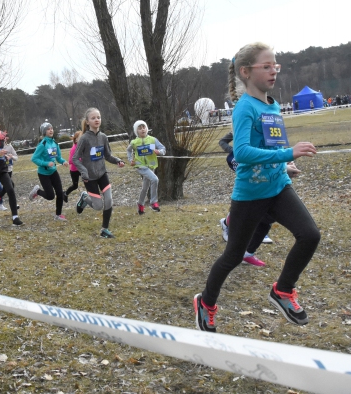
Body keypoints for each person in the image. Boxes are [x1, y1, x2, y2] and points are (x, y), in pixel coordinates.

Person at [193, 43, 321, 333]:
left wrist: (283, 166)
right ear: (246, 72)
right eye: (266, 66)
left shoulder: (272, 105)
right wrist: (288, 154)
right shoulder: (244, 109)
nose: (273, 69)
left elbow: (269, 147)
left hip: (278, 187)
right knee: (233, 257)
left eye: (275, 64)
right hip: (250, 196)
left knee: (310, 235)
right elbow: (244, 153)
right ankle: (206, 303)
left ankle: (283, 290)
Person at [72, 107, 125, 238]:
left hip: (102, 174)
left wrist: (117, 161)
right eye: (93, 118)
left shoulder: (103, 137)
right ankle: (85, 197)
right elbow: (75, 158)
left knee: (109, 201)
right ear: (88, 122)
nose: (97, 120)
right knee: (98, 206)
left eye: (99, 117)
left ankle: (104, 230)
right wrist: (84, 171)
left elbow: (108, 156)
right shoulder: (84, 139)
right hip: (89, 177)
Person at [218, 131, 274, 248]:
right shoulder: (239, 127)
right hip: (245, 164)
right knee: (248, 197)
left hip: (262, 161)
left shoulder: (262, 126)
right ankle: (227, 224)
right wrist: (232, 151)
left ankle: (260, 230)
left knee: (262, 195)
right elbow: (222, 141)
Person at [28, 121, 69, 221]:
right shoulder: (43, 144)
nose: (51, 130)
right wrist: (46, 163)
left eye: (51, 128)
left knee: (60, 193)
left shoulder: (55, 143)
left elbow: (58, 157)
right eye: (48, 129)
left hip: (53, 172)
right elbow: (34, 158)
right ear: (44, 132)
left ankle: (58, 215)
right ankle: (37, 191)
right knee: (50, 196)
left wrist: (63, 162)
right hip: (43, 174)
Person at [126, 120, 166, 215]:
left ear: (146, 128)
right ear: (136, 131)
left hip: (151, 165)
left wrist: (159, 152)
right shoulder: (134, 142)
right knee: (155, 179)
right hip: (140, 165)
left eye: (144, 127)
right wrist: (130, 159)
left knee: (145, 187)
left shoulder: (152, 140)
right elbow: (128, 150)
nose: (142, 130)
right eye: (139, 128)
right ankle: (153, 202)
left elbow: (163, 149)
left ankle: (140, 205)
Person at [0, 136, 18, 211]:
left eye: (4, 138)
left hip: (9, 169)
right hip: (2, 170)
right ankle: (13, 202)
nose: (3, 140)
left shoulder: (9, 147)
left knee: (9, 186)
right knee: (10, 185)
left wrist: (11, 157)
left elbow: (16, 157)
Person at [62, 131, 83, 203]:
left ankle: (92, 195)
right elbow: (70, 161)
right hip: (74, 171)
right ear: (76, 139)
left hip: (81, 169)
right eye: (80, 137)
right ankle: (65, 194)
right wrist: (80, 159)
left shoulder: (82, 146)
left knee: (88, 180)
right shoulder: (74, 148)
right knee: (75, 186)